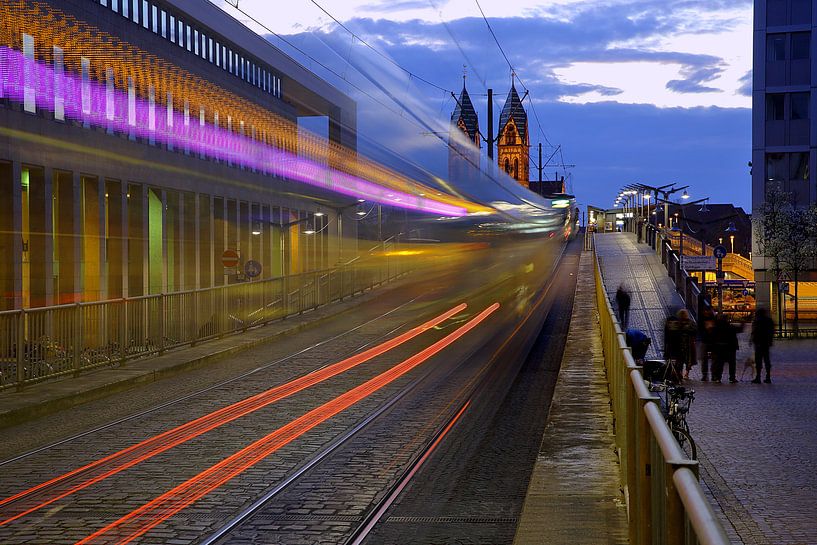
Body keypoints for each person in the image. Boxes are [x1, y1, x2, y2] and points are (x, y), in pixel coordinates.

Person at [663, 309, 696, 382]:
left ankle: (681, 373)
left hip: (683, 343)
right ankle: (684, 373)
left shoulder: (679, 323)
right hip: (686, 344)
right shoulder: (688, 323)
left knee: (682, 360)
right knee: (684, 359)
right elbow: (694, 331)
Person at [712, 314, 743, 383]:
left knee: (720, 363)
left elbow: (713, 337)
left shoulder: (717, 327)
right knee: (732, 363)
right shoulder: (730, 327)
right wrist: (742, 322)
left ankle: (718, 377)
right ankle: (732, 378)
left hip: (720, 347)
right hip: (730, 347)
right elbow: (740, 329)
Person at [751, 307, 775, 383]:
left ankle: (758, 377)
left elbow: (754, 331)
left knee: (758, 360)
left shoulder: (757, 321)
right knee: (766, 359)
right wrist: (770, 341)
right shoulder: (769, 321)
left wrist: (752, 340)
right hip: (766, 343)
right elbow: (771, 331)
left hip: (758, 343)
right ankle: (768, 376)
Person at [697, 307, 716, 381]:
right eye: (705, 311)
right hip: (705, 341)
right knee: (704, 359)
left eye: (707, 311)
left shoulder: (714, 320)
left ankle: (713, 375)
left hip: (712, 341)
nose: (706, 312)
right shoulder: (701, 320)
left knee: (714, 359)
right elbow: (699, 330)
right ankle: (705, 375)